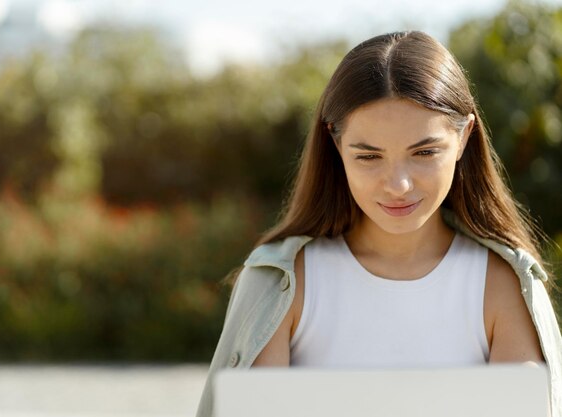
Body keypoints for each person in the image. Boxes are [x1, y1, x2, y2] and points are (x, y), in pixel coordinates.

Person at [196, 30, 562, 417]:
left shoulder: (503, 284)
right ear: (336, 145)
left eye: (424, 152)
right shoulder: (281, 283)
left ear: (464, 137)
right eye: (369, 157)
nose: (399, 185)